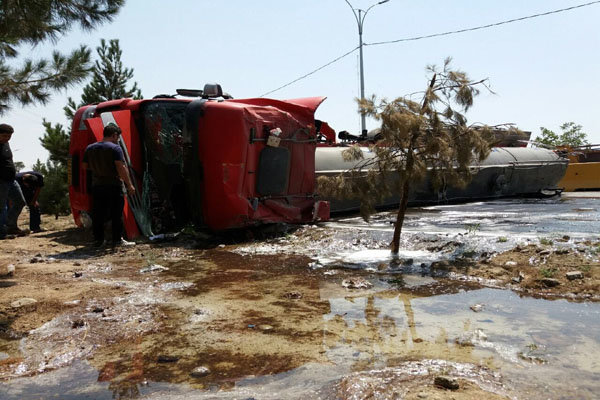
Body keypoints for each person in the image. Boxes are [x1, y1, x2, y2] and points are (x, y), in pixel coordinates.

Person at [82, 123, 135, 247]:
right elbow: (120, 167)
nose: (118, 140)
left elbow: (84, 166)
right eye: (117, 137)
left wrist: (97, 170)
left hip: (97, 186)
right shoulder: (115, 148)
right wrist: (129, 184)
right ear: (114, 135)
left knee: (98, 214)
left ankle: (99, 241)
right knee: (116, 213)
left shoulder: (90, 148)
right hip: (113, 185)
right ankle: (117, 240)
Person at [0, 123, 28, 239]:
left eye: (9, 136)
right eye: (4, 136)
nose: (7, 138)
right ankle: (1, 233)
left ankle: (11, 226)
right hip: (1, 181)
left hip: (12, 179)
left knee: (20, 202)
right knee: (0, 207)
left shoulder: (6, 144)